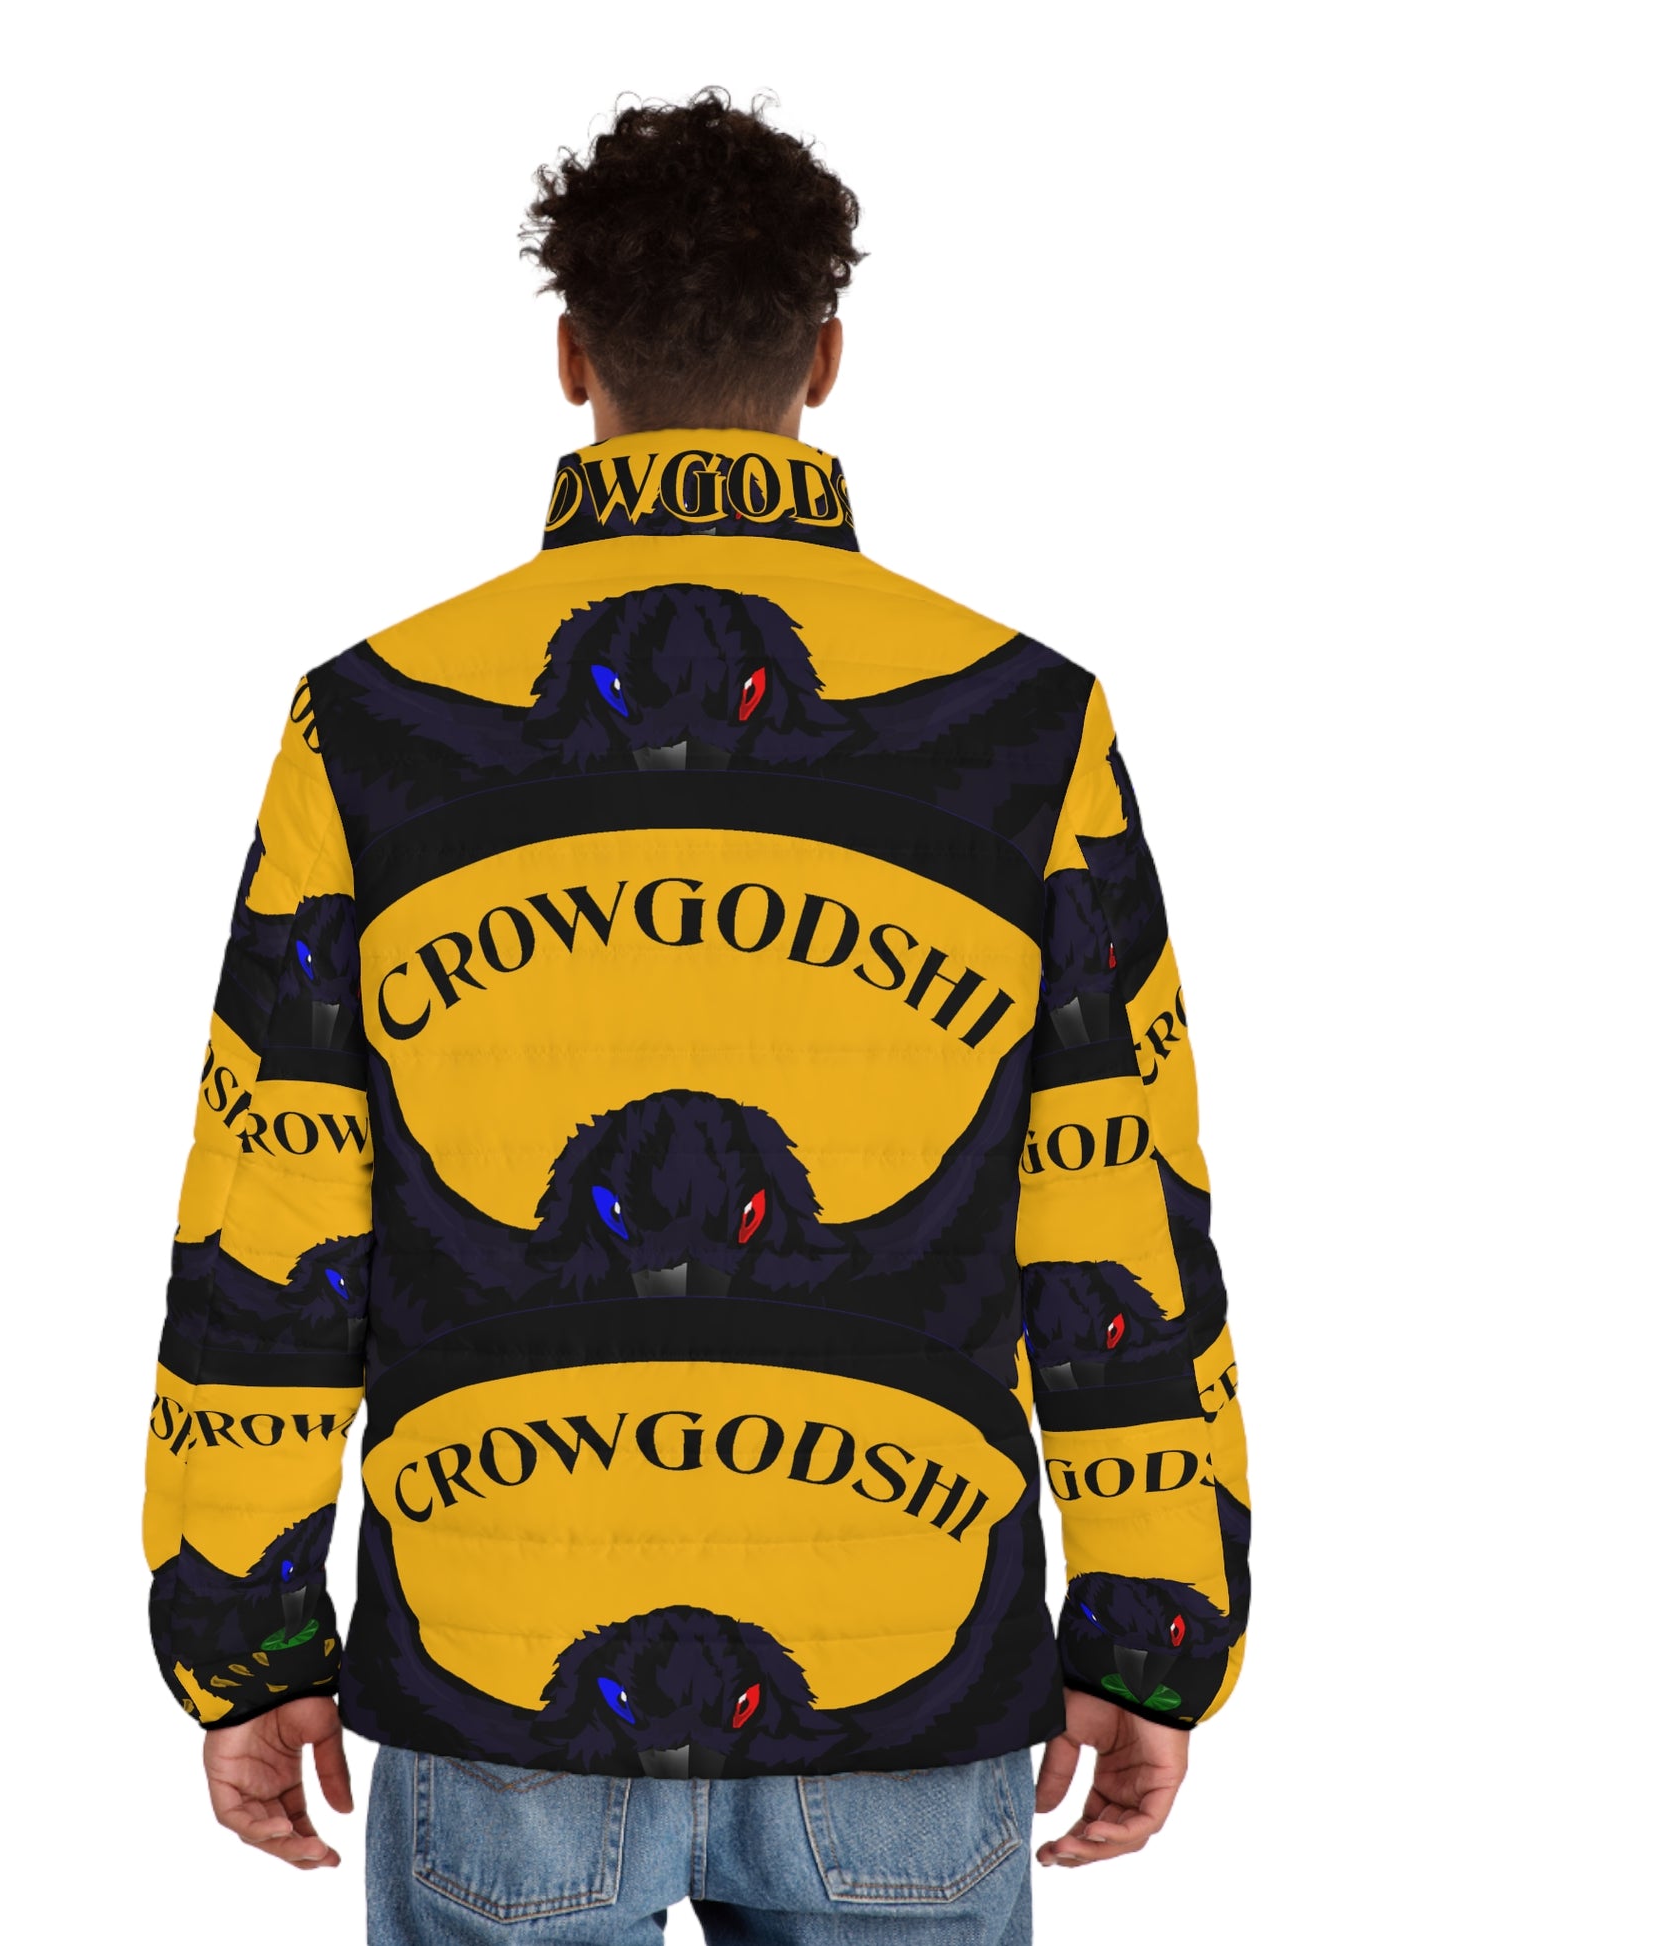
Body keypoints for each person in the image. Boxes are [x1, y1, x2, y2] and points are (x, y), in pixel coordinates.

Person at [142, 88, 1249, 1946]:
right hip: (905, 1684)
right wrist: (1152, 1630)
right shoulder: (1024, 721)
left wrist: (242, 1635)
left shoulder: (373, 721)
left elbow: (279, 1192)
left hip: (499, 1683)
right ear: (826, 354)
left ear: (572, 355)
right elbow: (1110, 1187)